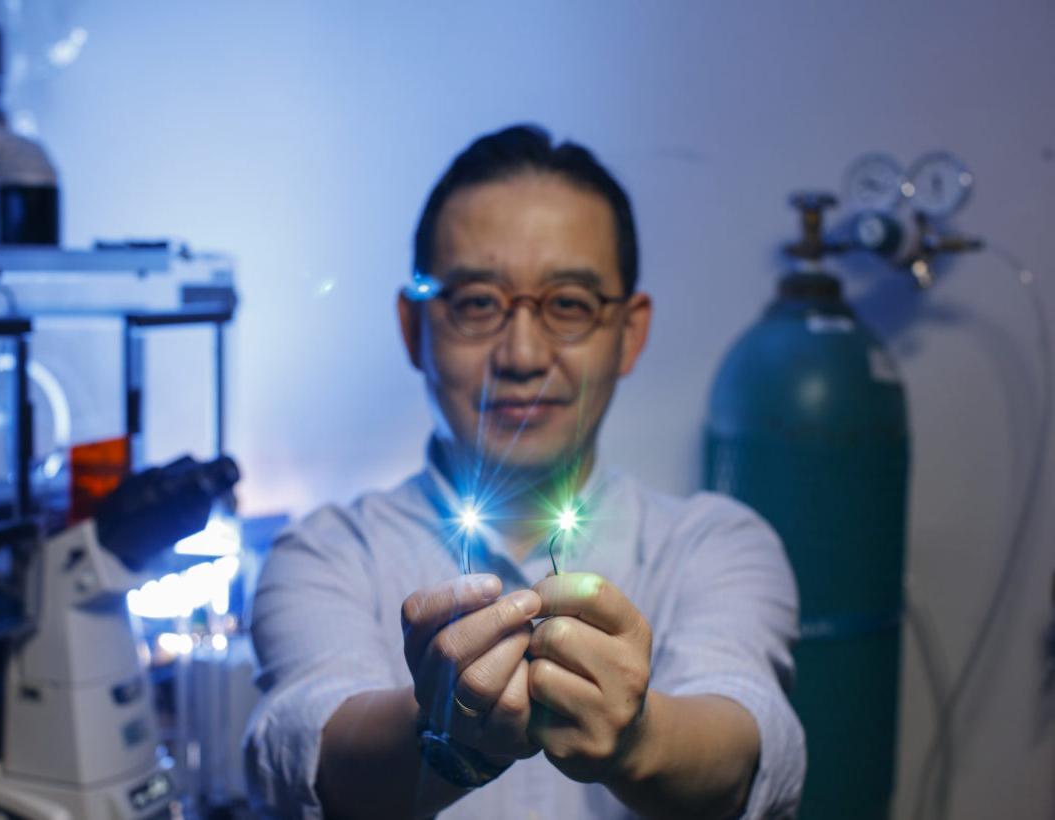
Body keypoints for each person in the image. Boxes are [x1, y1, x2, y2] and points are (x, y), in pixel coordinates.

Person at [244, 124, 805, 819]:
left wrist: (638, 739)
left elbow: (748, 743)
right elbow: (304, 751)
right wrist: (439, 740)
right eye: (477, 302)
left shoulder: (713, 546)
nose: (522, 354)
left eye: (568, 305)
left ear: (629, 332)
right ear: (415, 327)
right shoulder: (326, 555)